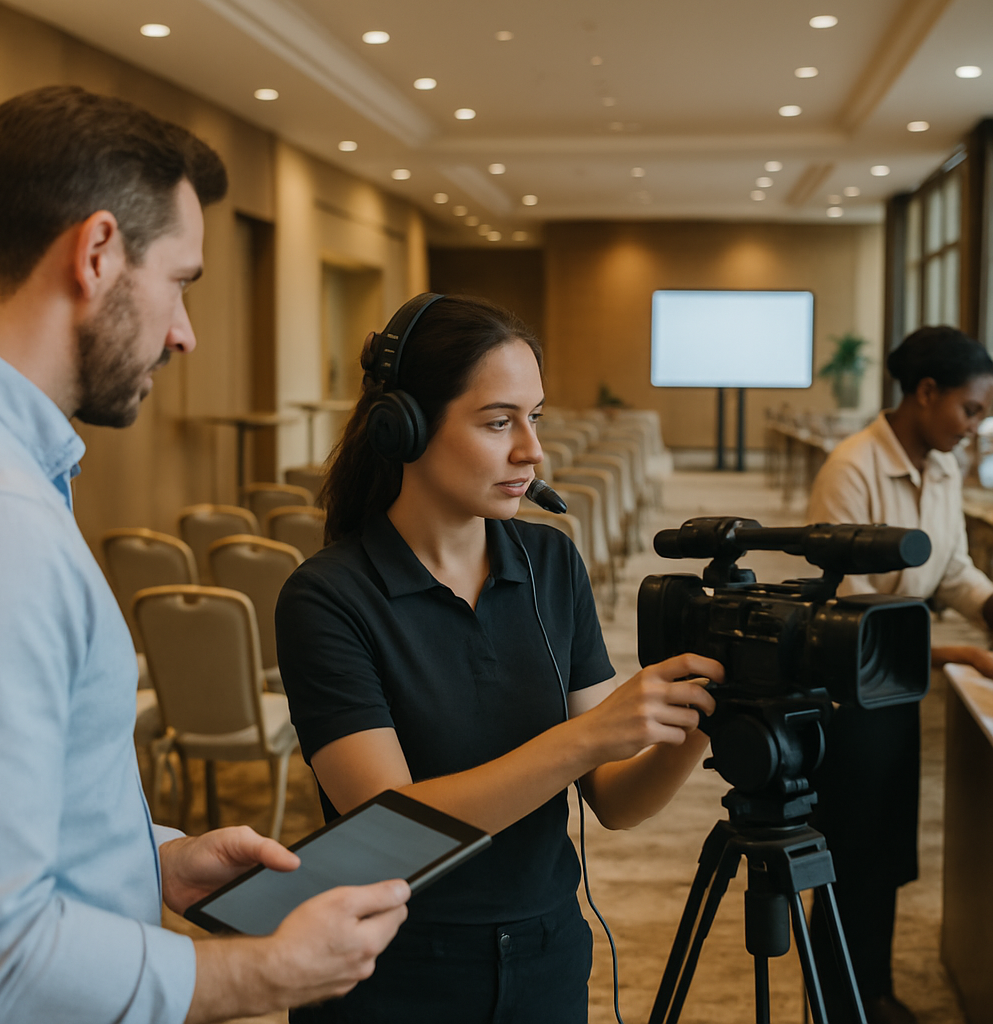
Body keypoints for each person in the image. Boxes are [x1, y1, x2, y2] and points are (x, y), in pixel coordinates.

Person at [0, 85, 409, 1024]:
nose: (184, 332)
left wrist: (151, 857)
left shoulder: (7, 476)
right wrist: (269, 975)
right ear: (95, 255)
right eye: (180, 282)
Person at [274, 292, 723, 1024]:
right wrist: (587, 737)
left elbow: (614, 799)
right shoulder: (327, 598)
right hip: (390, 967)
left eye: (535, 417)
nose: (531, 450)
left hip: (546, 947)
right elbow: (389, 830)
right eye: (498, 422)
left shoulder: (551, 563)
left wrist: (699, 717)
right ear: (404, 429)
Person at [806, 324, 993, 1024]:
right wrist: (964, 654)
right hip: (848, 689)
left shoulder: (940, 468)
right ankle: (837, 1006)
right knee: (847, 853)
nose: (974, 428)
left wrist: (988, 608)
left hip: (899, 682)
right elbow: (850, 611)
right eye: (970, 411)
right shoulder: (851, 468)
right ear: (926, 393)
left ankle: (873, 993)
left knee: (884, 851)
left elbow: (949, 570)